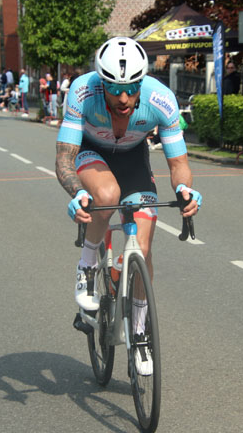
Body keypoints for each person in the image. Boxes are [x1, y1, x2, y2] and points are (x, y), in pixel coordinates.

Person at [56, 37, 201, 375]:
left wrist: (183, 189)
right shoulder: (81, 92)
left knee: (144, 246)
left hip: (134, 160)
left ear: (142, 82)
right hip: (92, 154)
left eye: (131, 88)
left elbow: (178, 161)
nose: (123, 98)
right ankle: (88, 265)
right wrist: (77, 192)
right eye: (114, 89)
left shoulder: (160, 99)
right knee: (106, 196)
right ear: (100, 82)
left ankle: (139, 331)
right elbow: (64, 158)